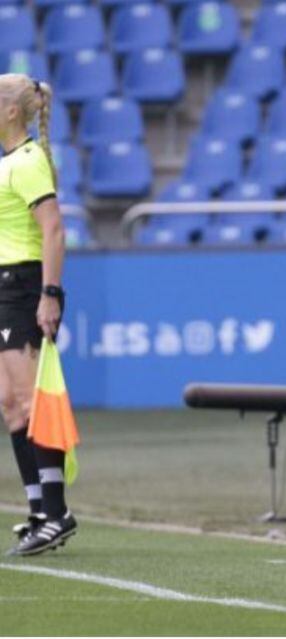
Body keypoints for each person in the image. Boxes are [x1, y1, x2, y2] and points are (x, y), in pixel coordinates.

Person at [0, 75, 75, 556]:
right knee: (10, 403)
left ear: (11, 111)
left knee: (31, 402)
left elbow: (54, 230)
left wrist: (50, 293)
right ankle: (36, 511)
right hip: (6, 286)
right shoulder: (9, 162)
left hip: (25, 285)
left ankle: (57, 512)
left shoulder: (28, 163)